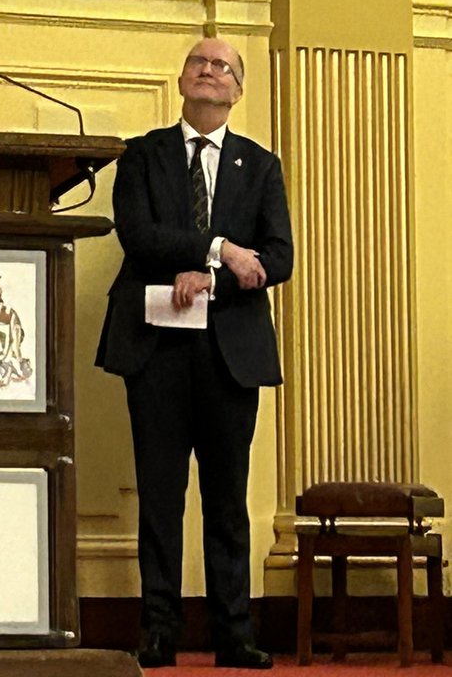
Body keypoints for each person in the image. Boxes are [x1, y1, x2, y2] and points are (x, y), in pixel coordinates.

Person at [96, 36, 292, 669]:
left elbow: (278, 257)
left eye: (223, 67)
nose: (209, 71)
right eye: (198, 62)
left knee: (228, 499)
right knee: (159, 495)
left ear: (238, 90)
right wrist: (216, 248)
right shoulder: (143, 154)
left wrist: (216, 277)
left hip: (229, 350)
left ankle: (234, 630)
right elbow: (140, 235)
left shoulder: (260, 166)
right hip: (155, 349)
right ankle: (159, 629)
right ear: (181, 79)